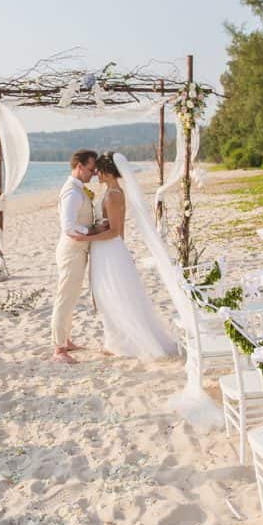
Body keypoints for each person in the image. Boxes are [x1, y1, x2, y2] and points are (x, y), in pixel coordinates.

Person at [70, 152, 178, 359]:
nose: (96, 174)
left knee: (112, 294)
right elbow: (117, 231)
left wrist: (86, 237)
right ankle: (114, 340)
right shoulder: (112, 192)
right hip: (107, 249)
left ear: (108, 172)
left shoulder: (113, 195)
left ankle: (122, 343)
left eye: (99, 171)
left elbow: (115, 231)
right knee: (107, 294)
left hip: (108, 250)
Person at [49, 149, 100, 364]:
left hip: (79, 249)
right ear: (79, 166)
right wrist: (92, 231)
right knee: (65, 296)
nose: (94, 174)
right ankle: (59, 349)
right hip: (71, 250)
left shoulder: (79, 189)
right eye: (91, 169)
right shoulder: (71, 192)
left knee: (72, 296)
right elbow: (68, 226)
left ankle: (66, 339)